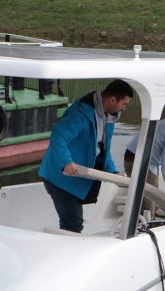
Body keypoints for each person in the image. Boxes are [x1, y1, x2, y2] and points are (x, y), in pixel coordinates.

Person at [38, 79, 133, 233]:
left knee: (74, 221)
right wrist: (66, 162)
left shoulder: (108, 118)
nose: (125, 108)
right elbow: (58, 136)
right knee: (72, 224)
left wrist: (113, 172)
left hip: (78, 177)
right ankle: (69, 254)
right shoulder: (80, 114)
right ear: (112, 99)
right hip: (60, 177)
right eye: (124, 104)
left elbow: (103, 150)